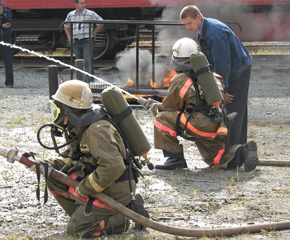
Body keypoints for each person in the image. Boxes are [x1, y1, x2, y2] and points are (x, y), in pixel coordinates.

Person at [35, 80, 149, 238]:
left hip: (114, 188)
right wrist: (45, 165)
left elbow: (113, 167)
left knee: (78, 230)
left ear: (69, 110)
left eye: (58, 109)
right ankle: (88, 213)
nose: (56, 115)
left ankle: (122, 218)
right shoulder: (78, 126)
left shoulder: (96, 130)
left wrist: (84, 188)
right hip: (100, 181)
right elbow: (70, 159)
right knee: (52, 175)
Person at [148, 38, 258, 171]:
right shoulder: (211, 75)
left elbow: (170, 107)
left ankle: (175, 158)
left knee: (162, 119)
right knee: (215, 158)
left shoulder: (180, 80)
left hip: (199, 124)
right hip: (218, 123)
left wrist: (154, 107)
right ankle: (242, 152)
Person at [180, 5, 252, 148]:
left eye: (189, 23)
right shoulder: (203, 29)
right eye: (185, 24)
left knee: (233, 108)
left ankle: (233, 149)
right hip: (233, 67)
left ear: (198, 17)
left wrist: (221, 91)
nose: (188, 27)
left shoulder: (214, 33)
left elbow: (222, 63)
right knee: (236, 107)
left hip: (238, 70)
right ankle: (240, 146)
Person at [64, 0, 104, 82]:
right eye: (81, 3)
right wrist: (69, 37)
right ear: (76, 4)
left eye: (84, 3)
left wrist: (94, 32)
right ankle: (80, 80)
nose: (84, 5)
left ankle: (90, 81)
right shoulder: (71, 15)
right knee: (79, 61)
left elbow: (101, 22)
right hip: (76, 41)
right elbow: (66, 25)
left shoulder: (90, 13)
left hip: (87, 40)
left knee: (87, 61)